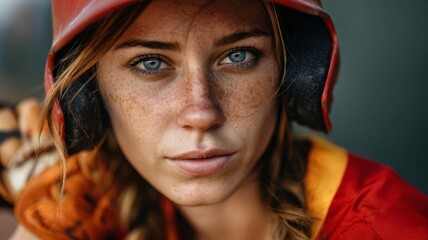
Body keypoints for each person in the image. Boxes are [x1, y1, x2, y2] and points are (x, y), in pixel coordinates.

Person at [0, 0, 427, 239]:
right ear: (88, 94)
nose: (201, 113)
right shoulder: (102, 198)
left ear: (293, 72)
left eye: (238, 56)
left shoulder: (385, 230)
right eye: (150, 63)